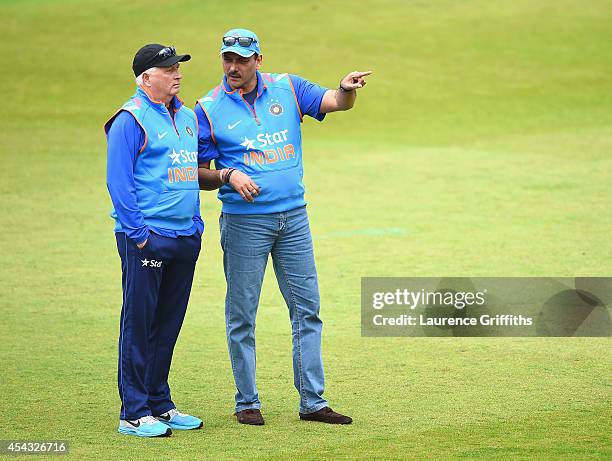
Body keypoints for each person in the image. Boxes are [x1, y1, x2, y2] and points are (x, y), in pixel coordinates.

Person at [195, 28, 371, 425]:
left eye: (242, 59)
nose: (234, 66)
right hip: (244, 224)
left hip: (294, 219)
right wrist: (227, 176)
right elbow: (198, 173)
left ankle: (313, 402)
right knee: (243, 312)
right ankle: (247, 402)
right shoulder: (207, 108)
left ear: (259, 59)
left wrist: (346, 89)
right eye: (228, 59)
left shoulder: (288, 88)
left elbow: (335, 101)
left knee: (307, 310)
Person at [105, 43, 204, 437]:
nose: (177, 74)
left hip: (183, 237)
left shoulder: (189, 116)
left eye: (177, 67)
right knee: (140, 322)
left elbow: (189, 173)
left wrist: (195, 224)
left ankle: (159, 402)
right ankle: (134, 411)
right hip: (147, 239)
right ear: (146, 78)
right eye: (168, 69)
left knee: (167, 324)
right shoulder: (130, 119)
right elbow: (119, 181)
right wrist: (139, 236)